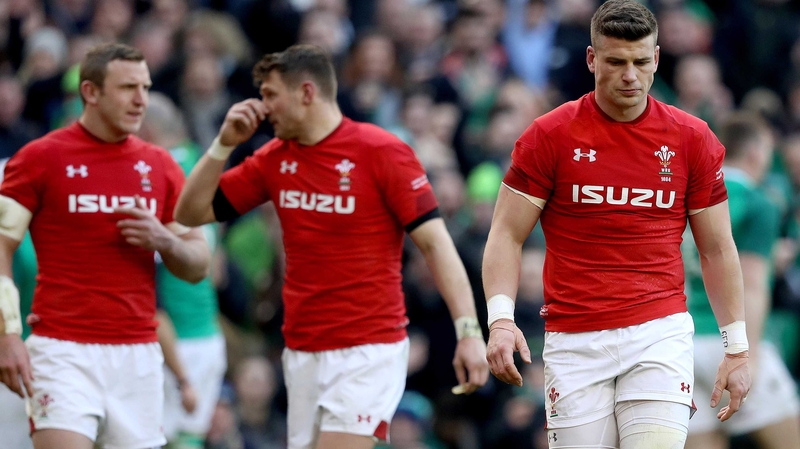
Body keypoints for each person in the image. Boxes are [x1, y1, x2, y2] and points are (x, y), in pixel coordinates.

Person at [174, 44, 489, 449]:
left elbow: (436, 244)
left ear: (307, 93)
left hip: (367, 351)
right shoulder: (274, 159)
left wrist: (469, 331)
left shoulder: (382, 152)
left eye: (271, 95)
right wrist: (222, 145)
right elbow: (190, 211)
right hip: (302, 350)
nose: (263, 107)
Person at [481, 1, 751, 448]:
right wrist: (500, 320)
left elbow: (718, 249)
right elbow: (506, 234)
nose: (630, 75)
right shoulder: (550, 136)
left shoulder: (692, 139)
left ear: (657, 60)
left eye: (641, 62)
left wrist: (737, 347)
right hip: (574, 341)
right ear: (591, 59)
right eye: (616, 62)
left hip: (659, 335)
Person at [0, 42, 211, 449]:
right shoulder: (38, 158)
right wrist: (6, 333)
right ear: (90, 93)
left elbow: (198, 264)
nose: (140, 100)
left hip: (137, 354)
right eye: (127, 88)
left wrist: (164, 240)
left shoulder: (162, 166)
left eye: (146, 88)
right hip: (61, 349)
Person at [684, 114, 800, 449]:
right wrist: (747, 354)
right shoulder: (759, 202)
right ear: (756, 152)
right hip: (731, 343)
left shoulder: (690, 196)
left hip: (685, 343)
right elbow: (750, 282)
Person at [140, 92, 227, 449]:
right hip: (207, 329)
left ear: (145, 128)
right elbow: (217, 267)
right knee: (188, 436)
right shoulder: (200, 162)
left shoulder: (157, 171)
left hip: (171, 334)